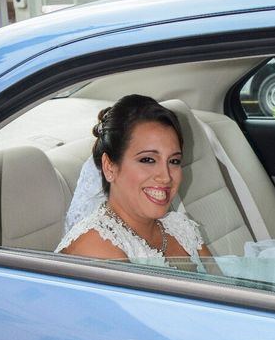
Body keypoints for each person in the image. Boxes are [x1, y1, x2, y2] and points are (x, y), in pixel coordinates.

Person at [56, 94, 212, 269]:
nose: (166, 176)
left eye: (174, 161)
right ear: (109, 167)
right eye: (148, 160)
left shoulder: (181, 228)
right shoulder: (95, 247)